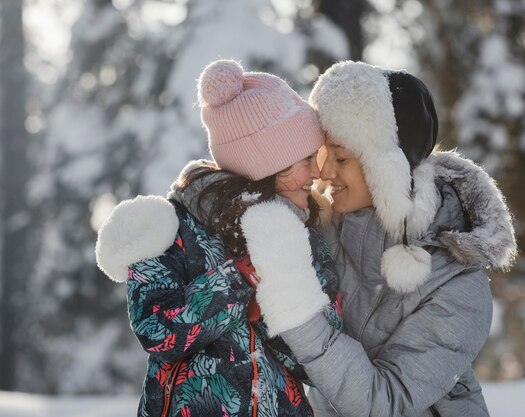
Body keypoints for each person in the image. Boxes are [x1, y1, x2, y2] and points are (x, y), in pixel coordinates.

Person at [239, 61, 517, 416]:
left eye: (341, 157)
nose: (324, 171)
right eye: (322, 154)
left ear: (387, 168)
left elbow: (386, 401)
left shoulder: (458, 282)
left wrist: (297, 312)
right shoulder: (326, 231)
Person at [95, 60, 341, 417]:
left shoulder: (305, 234)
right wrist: (237, 280)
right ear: (269, 162)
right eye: (306, 159)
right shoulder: (169, 227)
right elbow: (156, 331)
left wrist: (280, 303)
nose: (317, 172)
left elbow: (320, 359)